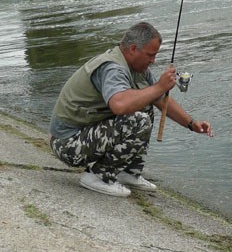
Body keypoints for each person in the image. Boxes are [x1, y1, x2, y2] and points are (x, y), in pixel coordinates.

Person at [49, 22, 212, 197]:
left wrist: (191, 123)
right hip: (68, 145)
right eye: (151, 55)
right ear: (133, 48)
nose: (153, 60)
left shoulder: (138, 68)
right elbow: (120, 106)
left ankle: (128, 172)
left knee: (145, 104)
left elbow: (159, 99)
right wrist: (159, 86)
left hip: (84, 136)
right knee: (138, 119)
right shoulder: (113, 68)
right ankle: (98, 177)